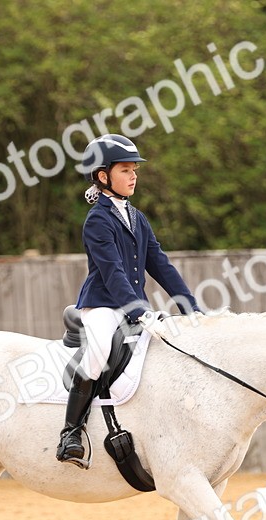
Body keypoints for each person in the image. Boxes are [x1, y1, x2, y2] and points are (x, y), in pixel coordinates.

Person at [56, 133, 201, 467]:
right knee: (99, 354)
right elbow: (112, 272)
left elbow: (160, 264)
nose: (133, 175)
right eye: (125, 169)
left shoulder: (137, 217)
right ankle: (70, 433)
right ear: (103, 176)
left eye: (134, 169)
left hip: (137, 306)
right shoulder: (97, 220)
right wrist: (140, 310)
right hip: (103, 305)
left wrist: (190, 307)